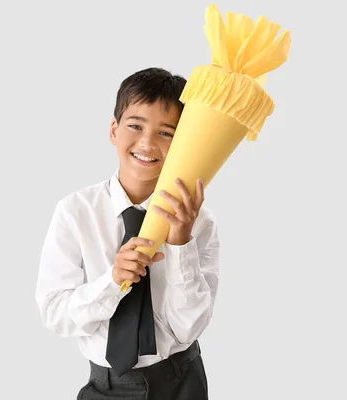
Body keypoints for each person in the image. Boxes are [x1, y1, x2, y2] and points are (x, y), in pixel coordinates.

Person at [35, 67, 220, 399]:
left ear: (183, 144)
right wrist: (112, 281)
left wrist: (179, 242)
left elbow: (189, 328)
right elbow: (55, 313)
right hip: (105, 386)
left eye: (166, 133)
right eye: (135, 126)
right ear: (113, 130)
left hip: (181, 381)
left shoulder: (199, 221)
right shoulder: (75, 212)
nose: (147, 143)